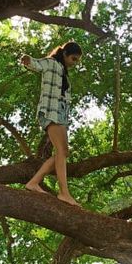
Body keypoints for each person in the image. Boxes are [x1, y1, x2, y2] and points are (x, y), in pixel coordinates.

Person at [21, 41, 83, 205]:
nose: (75, 63)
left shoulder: (63, 71)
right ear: (65, 54)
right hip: (50, 110)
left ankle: (34, 183)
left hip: (61, 113)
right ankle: (64, 193)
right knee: (61, 151)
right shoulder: (51, 63)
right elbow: (36, 63)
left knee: (63, 153)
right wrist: (27, 60)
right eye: (74, 59)